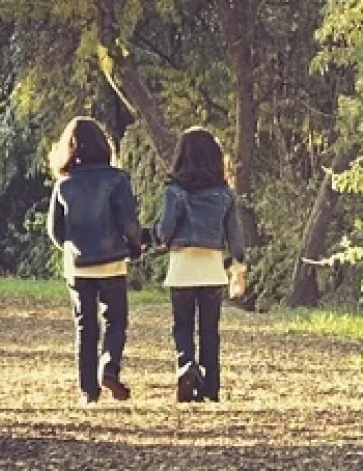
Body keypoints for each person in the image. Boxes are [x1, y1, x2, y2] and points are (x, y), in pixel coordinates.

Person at [47, 117, 143, 405]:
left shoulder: (64, 185)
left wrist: (72, 247)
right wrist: (137, 245)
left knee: (85, 326)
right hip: (112, 261)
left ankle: (88, 391)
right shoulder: (117, 179)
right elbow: (128, 222)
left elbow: (55, 231)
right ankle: (109, 367)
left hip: (78, 265)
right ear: (104, 144)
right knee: (115, 321)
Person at [152, 127, 247, 403]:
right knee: (209, 330)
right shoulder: (225, 195)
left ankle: (186, 366)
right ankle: (211, 385)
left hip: (182, 266)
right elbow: (235, 237)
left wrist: (159, 240)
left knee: (182, 325)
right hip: (212, 268)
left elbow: (166, 228)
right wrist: (238, 266)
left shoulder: (174, 191)